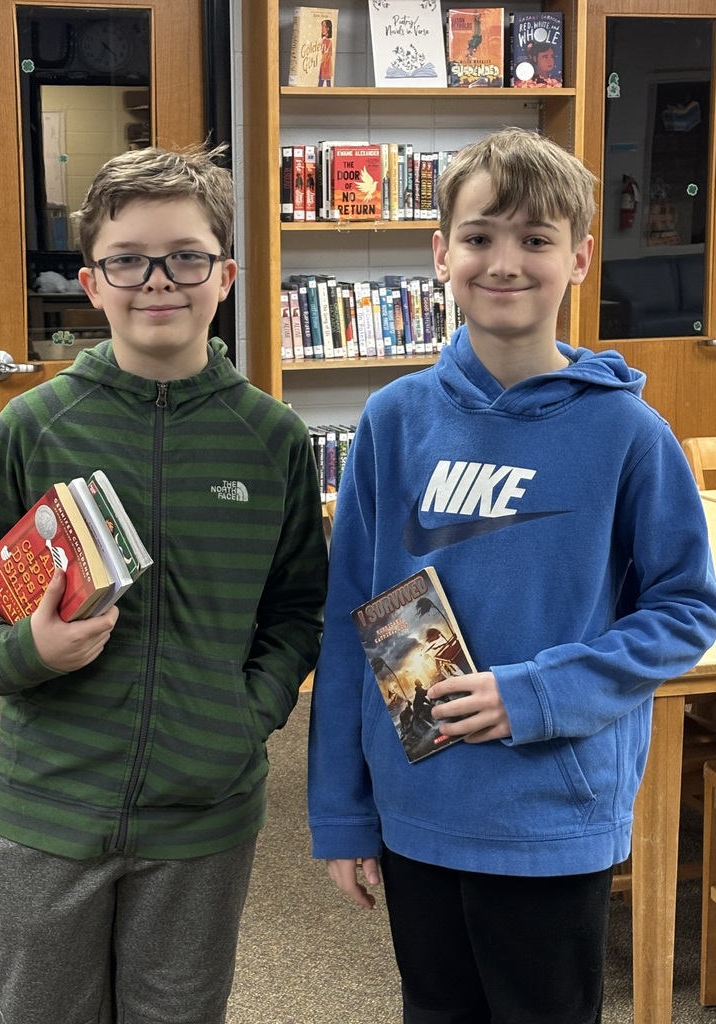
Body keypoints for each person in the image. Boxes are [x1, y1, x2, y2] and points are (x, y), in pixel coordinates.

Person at [307, 126, 716, 1024]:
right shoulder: (393, 421)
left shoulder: (628, 434)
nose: (505, 262)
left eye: (536, 239)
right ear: (440, 251)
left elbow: (686, 610)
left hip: (551, 815)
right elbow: (353, 622)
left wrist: (533, 694)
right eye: (481, 235)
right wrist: (342, 813)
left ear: (579, 256)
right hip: (420, 805)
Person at [0, 143, 328, 1024]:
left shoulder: (270, 438)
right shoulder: (35, 425)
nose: (158, 281)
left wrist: (248, 715)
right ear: (91, 282)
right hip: (51, 805)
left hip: (204, 818)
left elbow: (299, 606)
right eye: (127, 260)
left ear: (225, 274)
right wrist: (19, 652)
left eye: (186, 257)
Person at [318, 18, 334, 87]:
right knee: (323, 81)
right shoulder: (324, 41)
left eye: (323, 26)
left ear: (328, 28)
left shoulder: (328, 41)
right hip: (324, 64)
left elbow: (328, 53)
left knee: (326, 81)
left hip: (326, 64)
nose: (322, 28)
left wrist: (323, 58)